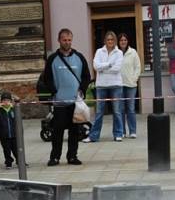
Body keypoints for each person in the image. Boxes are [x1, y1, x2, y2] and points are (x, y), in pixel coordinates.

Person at [39, 28, 91, 166]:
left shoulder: (79, 57)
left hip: (75, 102)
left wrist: (82, 90)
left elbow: (86, 76)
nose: (67, 42)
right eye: (64, 40)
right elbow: (47, 78)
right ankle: (55, 157)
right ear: (59, 40)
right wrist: (54, 91)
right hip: (59, 103)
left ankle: (72, 157)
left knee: (75, 131)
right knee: (58, 132)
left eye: (69, 40)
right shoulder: (52, 59)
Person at [87, 31, 124, 142]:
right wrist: (109, 64)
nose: (110, 42)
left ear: (115, 41)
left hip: (116, 84)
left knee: (117, 111)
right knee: (99, 112)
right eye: (108, 40)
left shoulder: (119, 53)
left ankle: (118, 134)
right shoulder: (99, 51)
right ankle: (94, 136)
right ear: (105, 41)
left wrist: (103, 69)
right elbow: (96, 66)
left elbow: (117, 69)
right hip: (101, 85)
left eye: (112, 40)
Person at [118, 33, 141, 139]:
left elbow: (138, 67)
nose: (123, 42)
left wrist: (134, 78)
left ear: (128, 41)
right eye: (121, 40)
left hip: (131, 85)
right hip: (119, 85)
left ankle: (132, 131)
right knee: (121, 109)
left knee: (131, 109)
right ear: (118, 42)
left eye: (125, 40)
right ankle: (122, 131)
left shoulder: (133, 52)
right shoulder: (116, 53)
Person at [0, 92, 19, 168]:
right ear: (1, 102)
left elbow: (17, 121)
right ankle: (8, 162)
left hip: (13, 134)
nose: (6, 102)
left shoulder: (13, 110)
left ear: (11, 101)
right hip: (4, 135)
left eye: (7, 100)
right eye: (4, 100)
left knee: (16, 149)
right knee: (6, 149)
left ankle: (19, 161)